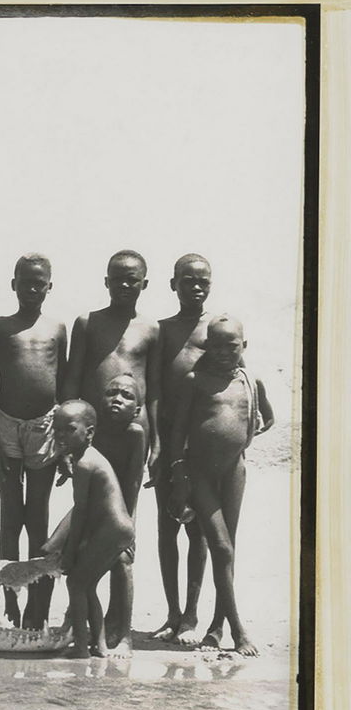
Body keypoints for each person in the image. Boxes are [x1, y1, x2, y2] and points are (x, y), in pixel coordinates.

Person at [163, 315, 273, 655]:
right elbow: (178, 432)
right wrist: (178, 474)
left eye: (232, 345)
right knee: (221, 548)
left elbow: (268, 418)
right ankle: (239, 632)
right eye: (217, 346)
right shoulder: (195, 381)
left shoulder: (250, 381)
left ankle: (216, 627)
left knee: (229, 549)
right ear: (206, 347)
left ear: (244, 346)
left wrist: (241, 435)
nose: (224, 352)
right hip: (199, 474)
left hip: (234, 471)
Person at [0, 253, 66, 628]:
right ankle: (10, 601)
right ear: (13, 284)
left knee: (38, 516)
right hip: (6, 424)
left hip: (44, 426)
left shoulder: (56, 328)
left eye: (39, 283)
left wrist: (62, 441)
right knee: (9, 517)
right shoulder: (0, 328)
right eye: (26, 282)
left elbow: (63, 386)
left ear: (49, 286)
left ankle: (39, 603)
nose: (32, 289)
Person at [150, 253, 214, 641]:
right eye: (188, 280)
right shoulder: (163, 330)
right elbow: (155, 389)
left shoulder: (217, 329)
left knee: (199, 531)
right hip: (170, 438)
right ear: (173, 284)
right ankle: (172, 612)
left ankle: (191, 615)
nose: (196, 287)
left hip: (203, 441)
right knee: (166, 526)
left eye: (203, 281)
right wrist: (157, 444)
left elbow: (237, 374)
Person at [46, 399, 136, 658]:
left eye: (69, 429)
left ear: (90, 432)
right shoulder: (87, 457)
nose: (61, 435)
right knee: (87, 585)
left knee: (75, 583)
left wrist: (69, 553)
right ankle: (100, 646)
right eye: (57, 429)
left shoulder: (85, 464)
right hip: (117, 528)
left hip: (112, 529)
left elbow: (81, 512)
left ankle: (82, 648)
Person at [65, 248, 161, 484]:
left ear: (145, 284)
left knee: (128, 497)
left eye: (132, 279)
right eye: (117, 279)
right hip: (93, 426)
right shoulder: (87, 323)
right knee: (91, 495)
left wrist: (157, 442)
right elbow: (72, 381)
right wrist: (66, 438)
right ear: (107, 282)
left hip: (135, 427)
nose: (124, 285)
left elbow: (154, 390)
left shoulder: (151, 329)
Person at [93, 373, 148, 650]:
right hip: (92, 508)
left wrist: (129, 525)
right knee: (80, 566)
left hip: (121, 509)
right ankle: (81, 625)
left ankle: (125, 634)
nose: (117, 399)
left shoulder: (135, 434)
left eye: (127, 396)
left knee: (123, 560)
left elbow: (134, 483)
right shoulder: (92, 430)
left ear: (137, 410)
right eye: (111, 393)